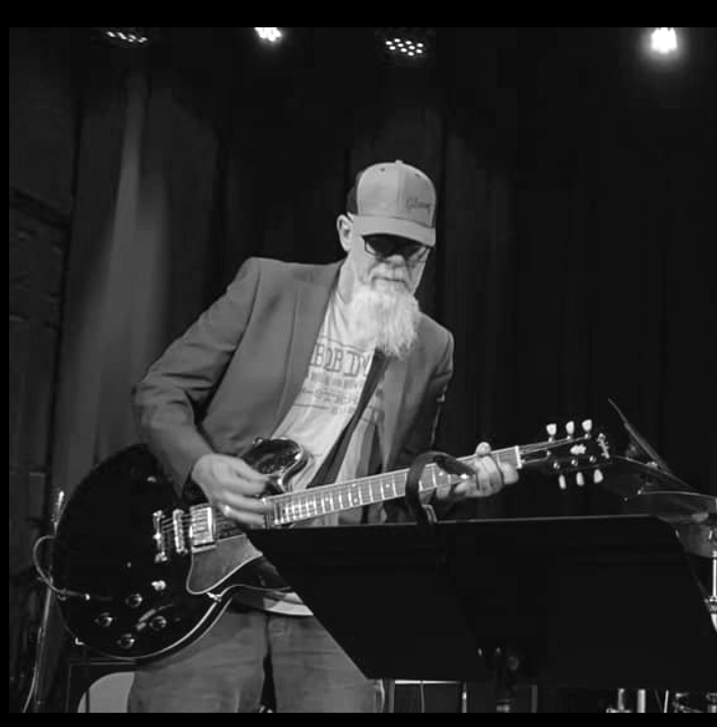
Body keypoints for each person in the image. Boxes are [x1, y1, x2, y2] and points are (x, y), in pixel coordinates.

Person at [128, 159, 519, 713]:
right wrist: (202, 467)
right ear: (345, 232)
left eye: (412, 252)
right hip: (211, 563)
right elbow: (160, 390)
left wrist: (450, 490)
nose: (395, 264)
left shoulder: (432, 347)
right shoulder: (268, 286)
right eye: (380, 245)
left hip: (328, 591)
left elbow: (399, 482)